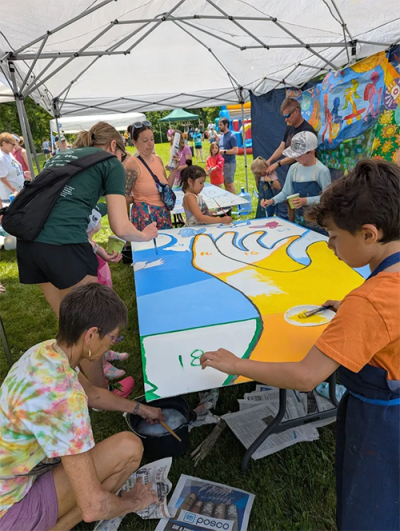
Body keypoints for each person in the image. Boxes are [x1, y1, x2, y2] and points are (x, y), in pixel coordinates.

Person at [200, 159, 400, 531]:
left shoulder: (370, 301)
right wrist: (355, 315)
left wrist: (235, 364)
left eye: (335, 237)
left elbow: (307, 376)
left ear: (369, 234)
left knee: (371, 508)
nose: (330, 245)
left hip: (380, 423)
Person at [0, 283, 164, 531]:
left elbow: (94, 395)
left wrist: (141, 409)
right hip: (10, 511)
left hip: (13, 477)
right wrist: (131, 502)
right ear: (91, 334)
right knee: (129, 448)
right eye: (113, 337)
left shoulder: (44, 351)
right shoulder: (66, 399)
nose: (112, 344)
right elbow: (93, 508)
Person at [16, 122, 158, 388]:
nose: (122, 163)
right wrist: (145, 234)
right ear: (114, 146)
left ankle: (67, 387)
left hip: (29, 243)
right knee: (89, 327)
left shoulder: (61, 156)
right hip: (63, 246)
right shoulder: (110, 161)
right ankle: (98, 395)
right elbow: (120, 226)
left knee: (67, 325)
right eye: (123, 156)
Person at [261, 131, 331, 231]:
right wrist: (272, 201)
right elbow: (286, 192)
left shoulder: (322, 171)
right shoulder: (294, 168)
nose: (296, 158)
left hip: (318, 222)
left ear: (311, 152)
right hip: (300, 223)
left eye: (299, 155)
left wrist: (305, 201)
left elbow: (327, 199)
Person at [125, 121, 177, 230]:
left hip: (163, 215)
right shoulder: (132, 163)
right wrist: (137, 200)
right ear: (134, 142)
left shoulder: (158, 159)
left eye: (152, 139)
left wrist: (174, 169)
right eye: (145, 140)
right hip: (145, 217)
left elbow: (165, 188)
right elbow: (123, 197)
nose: (150, 144)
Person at [0, 132, 24, 203]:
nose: (14, 146)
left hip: (19, 191)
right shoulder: (2, 158)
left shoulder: (9, 154)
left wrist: (23, 173)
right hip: (11, 196)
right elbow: (2, 177)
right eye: (12, 144)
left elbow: (13, 168)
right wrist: (14, 190)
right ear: (4, 143)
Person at [218, 118, 238, 194]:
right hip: (221, 164)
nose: (219, 126)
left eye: (221, 125)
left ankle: (234, 202)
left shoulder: (232, 136)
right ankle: (229, 202)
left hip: (229, 163)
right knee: (225, 183)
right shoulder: (221, 137)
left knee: (229, 184)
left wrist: (224, 151)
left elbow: (236, 150)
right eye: (219, 124)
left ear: (226, 125)